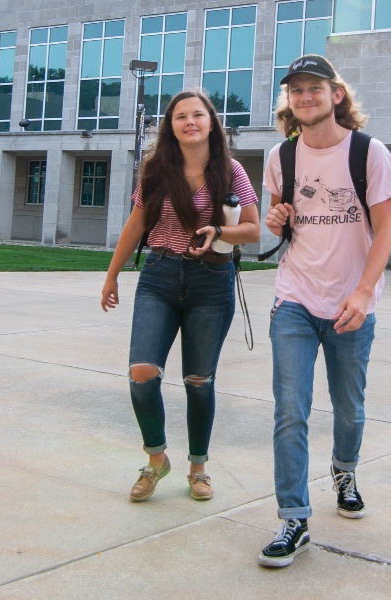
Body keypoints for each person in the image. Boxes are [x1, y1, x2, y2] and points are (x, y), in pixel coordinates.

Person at [256, 55, 391, 568]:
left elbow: (386, 231)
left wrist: (363, 293)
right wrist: (276, 219)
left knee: (349, 407)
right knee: (289, 409)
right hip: (294, 298)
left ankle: (344, 471)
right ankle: (294, 518)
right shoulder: (281, 156)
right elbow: (282, 221)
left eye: (314, 88)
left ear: (335, 95)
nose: (305, 97)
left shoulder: (369, 153)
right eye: (296, 90)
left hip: (350, 304)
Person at [101, 90, 260, 503]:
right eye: (180, 116)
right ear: (170, 127)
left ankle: (198, 467)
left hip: (212, 282)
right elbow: (136, 225)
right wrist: (112, 275)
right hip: (159, 275)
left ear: (211, 122)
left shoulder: (231, 171)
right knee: (142, 372)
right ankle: (156, 459)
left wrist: (219, 231)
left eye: (198, 114)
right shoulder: (157, 170)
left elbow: (253, 229)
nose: (190, 121)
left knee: (199, 381)